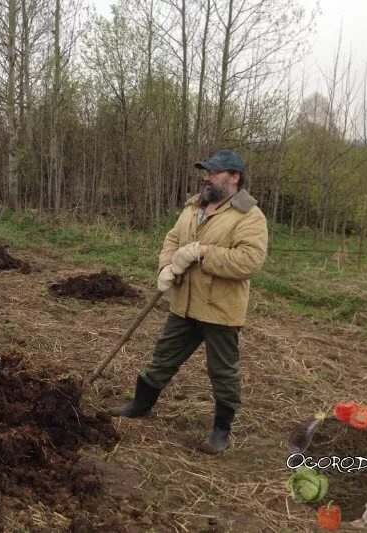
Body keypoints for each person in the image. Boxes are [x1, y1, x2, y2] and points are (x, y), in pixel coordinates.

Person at [112, 150, 268, 455]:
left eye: (213, 172)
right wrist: (167, 266)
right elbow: (172, 238)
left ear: (234, 177)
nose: (206, 177)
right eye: (205, 172)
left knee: (222, 371)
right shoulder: (194, 206)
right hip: (184, 303)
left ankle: (221, 431)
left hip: (220, 309)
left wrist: (203, 252)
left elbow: (250, 261)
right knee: (163, 356)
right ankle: (140, 405)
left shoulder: (249, 216)